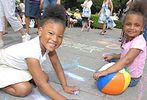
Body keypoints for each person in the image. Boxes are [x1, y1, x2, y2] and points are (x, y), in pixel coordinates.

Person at [0, 5, 79, 99]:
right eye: (51, 33)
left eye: (60, 36)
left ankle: (27, 78)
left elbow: (57, 66)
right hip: (4, 66)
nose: (54, 39)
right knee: (24, 89)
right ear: (40, 31)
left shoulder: (47, 46)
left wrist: (65, 86)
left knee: (44, 77)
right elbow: (42, 85)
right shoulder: (32, 51)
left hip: (17, 67)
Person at [93, 0, 147, 87]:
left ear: (142, 28)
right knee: (111, 60)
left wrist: (105, 72)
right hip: (126, 68)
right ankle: (112, 66)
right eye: (128, 24)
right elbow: (125, 54)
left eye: (137, 25)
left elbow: (127, 60)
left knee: (104, 79)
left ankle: (110, 71)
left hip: (131, 78)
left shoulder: (139, 42)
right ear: (123, 25)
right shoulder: (129, 38)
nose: (132, 28)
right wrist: (113, 56)